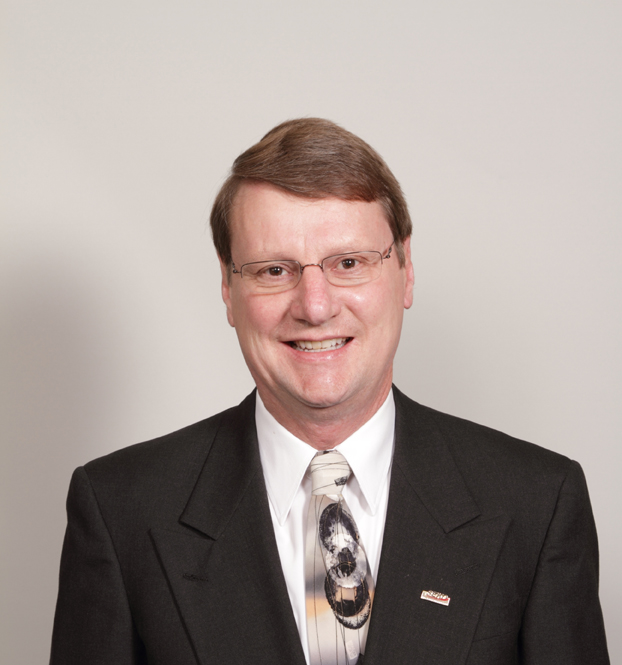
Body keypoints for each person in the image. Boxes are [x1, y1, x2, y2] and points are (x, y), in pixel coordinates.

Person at [50, 118, 609, 665]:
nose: (315, 307)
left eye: (348, 263)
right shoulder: (122, 512)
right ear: (227, 286)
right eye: (274, 271)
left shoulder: (537, 504)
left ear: (406, 270)